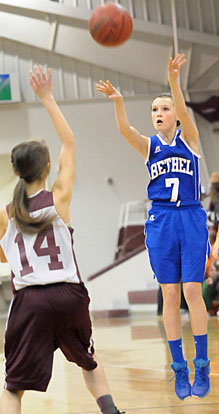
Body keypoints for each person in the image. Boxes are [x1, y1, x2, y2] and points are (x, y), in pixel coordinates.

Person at [0, 65, 124, 414]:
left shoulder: (6, 213)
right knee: (90, 361)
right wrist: (47, 97)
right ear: (48, 166)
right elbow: (70, 141)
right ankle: (111, 411)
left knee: (13, 387)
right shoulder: (60, 198)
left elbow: (7, 255)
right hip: (69, 295)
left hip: (30, 303)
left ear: (16, 171)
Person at [96, 54, 210, 400]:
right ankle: (179, 369)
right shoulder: (150, 147)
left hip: (190, 217)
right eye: (154, 110)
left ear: (174, 113)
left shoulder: (189, 140)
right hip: (160, 221)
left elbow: (186, 116)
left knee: (192, 291)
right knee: (170, 295)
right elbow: (126, 131)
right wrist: (118, 102)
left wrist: (174, 82)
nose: (159, 113)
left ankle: (201, 364)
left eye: (164, 108)